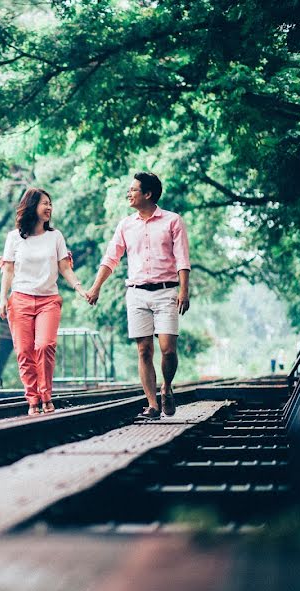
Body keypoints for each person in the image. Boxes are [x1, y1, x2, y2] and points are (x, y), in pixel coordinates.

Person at [85, 172, 191, 420]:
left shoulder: (172, 221)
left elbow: (182, 258)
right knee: (144, 350)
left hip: (166, 291)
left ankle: (166, 386)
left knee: (167, 350)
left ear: (148, 194)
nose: (128, 193)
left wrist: (184, 290)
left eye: (133, 190)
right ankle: (153, 405)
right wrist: (96, 286)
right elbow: (111, 257)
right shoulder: (125, 225)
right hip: (136, 293)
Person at [0, 188, 88, 416]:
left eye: (50, 203)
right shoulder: (14, 238)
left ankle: (46, 394)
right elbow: (8, 270)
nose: (48, 208)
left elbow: (64, 267)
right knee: (24, 352)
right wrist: (2, 299)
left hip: (49, 300)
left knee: (45, 345)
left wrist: (79, 288)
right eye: (44, 203)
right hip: (20, 300)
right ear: (31, 206)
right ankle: (33, 400)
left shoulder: (55, 236)